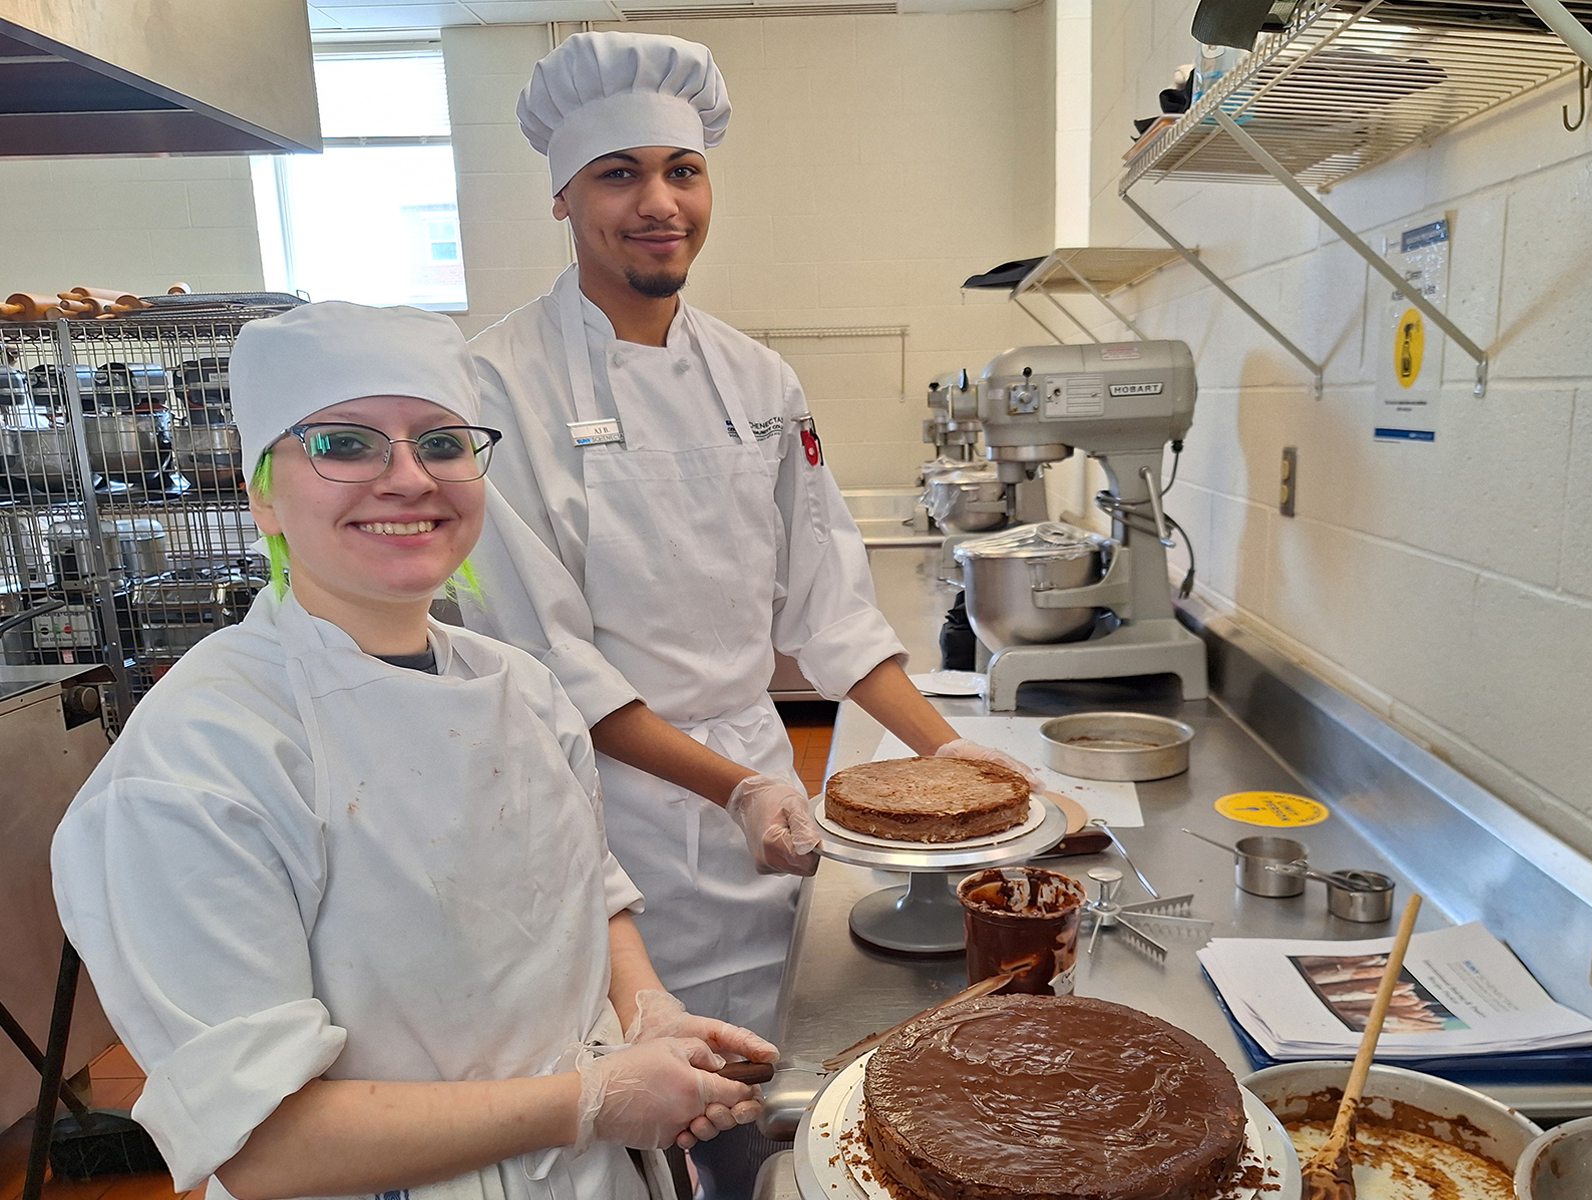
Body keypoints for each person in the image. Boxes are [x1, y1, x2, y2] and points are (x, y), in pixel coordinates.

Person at [461, 32, 1039, 1196]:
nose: (660, 202)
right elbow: (550, 658)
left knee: (768, 1088)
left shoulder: (758, 382)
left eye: (683, 170)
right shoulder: (494, 387)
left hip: (764, 813)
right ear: (563, 195)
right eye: (619, 174)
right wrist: (730, 786)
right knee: (645, 1111)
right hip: (602, 817)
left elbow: (829, 606)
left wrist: (961, 761)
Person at [51, 302, 775, 1200]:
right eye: (345, 444)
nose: (408, 478)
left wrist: (648, 1015)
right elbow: (267, 1146)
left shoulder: (521, 686)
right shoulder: (203, 759)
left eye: (439, 443)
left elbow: (588, 894)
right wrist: (590, 1100)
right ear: (262, 494)